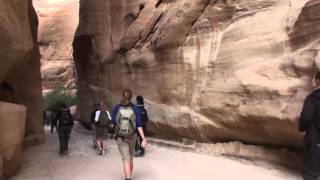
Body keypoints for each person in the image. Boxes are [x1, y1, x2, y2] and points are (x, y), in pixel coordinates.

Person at [111, 89, 147, 180]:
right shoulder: (135, 108)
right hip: (132, 136)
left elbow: (112, 123)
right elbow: (139, 125)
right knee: (130, 157)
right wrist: (143, 138)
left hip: (120, 137)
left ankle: (128, 178)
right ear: (131, 97)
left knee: (125, 159)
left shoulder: (116, 107)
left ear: (122, 96)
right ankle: (129, 176)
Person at [299, 71, 320, 180]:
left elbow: (305, 117)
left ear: (317, 81)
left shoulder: (313, 98)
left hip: (315, 140)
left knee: (310, 173)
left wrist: (302, 128)